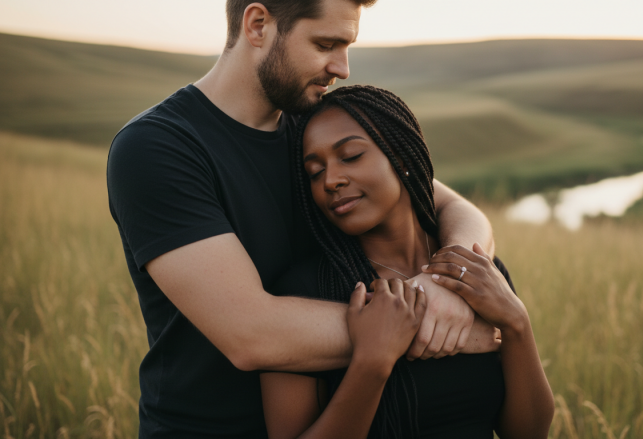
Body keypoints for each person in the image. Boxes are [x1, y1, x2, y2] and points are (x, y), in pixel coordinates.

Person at [106, 0, 500, 437]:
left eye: (346, 46)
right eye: (326, 44)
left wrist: (446, 281)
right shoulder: (157, 149)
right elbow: (252, 335)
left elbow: (453, 207)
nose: (343, 68)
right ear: (258, 25)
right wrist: (439, 325)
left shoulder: (312, 131)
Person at [261, 85, 555, 439]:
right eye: (314, 172)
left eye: (351, 155)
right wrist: (373, 363)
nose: (331, 180)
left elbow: (528, 433)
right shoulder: (303, 293)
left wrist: (516, 323)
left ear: (400, 158)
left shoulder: (477, 273)